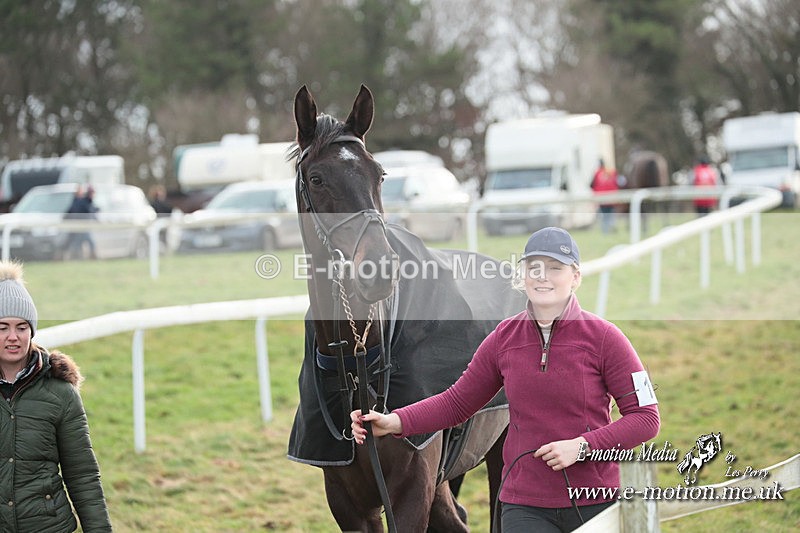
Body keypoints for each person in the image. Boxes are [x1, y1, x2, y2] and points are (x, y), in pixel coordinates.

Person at [351, 227, 660, 532]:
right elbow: (457, 403)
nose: (543, 276)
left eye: (555, 268)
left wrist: (582, 447)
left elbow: (646, 418)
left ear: (575, 277)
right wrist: (393, 422)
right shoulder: (503, 338)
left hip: (595, 500)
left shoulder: (606, 338)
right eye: (534, 268)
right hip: (524, 506)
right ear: (522, 277)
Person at [0, 260, 112, 532]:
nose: (13, 337)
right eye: (2, 327)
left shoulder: (60, 392)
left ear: (32, 330)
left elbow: (83, 474)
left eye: (22, 327)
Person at [64, 185, 99, 259]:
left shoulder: (85, 201)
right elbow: (71, 212)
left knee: (84, 243)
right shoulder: (79, 201)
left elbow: (91, 211)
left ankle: (87, 257)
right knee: (78, 243)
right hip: (79, 227)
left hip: (84, 227)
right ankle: (77, 257)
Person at [590, 159, 619, 233]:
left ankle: (606, 231)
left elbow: (591, 185)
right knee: (610, 215)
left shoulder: (597, 173)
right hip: (611, 199)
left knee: (604, 216)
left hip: (602, 199)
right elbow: (617, 184)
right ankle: (610, 229)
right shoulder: (611, 172)